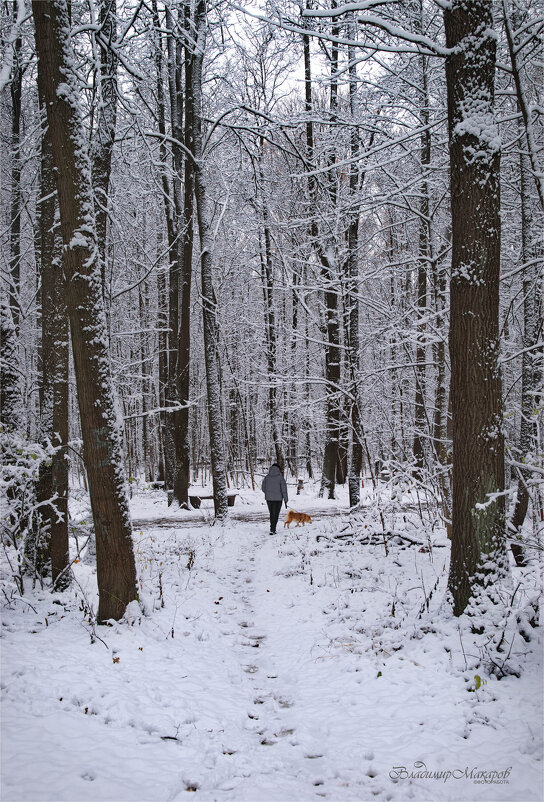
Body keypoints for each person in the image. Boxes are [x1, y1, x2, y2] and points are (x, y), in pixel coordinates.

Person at [262, 463, 288, 535]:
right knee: (276, 514)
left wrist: (268, 493)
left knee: (271, 513)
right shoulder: (280, 478)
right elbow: (284, 490)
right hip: (278, 499)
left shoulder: (267, 477)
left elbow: (263, 488)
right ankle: (273, 529)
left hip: (269, 499)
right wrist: (286, 500)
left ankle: (272, 528)